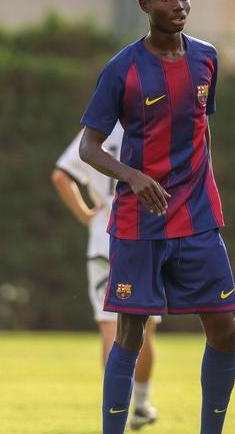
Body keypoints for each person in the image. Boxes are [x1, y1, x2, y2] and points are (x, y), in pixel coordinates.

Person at [76, 0, 235, 434]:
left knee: (227, 328)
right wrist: (132, 176)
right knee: (130, 334)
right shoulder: (122, 68)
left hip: (198, 219)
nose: (178, 5)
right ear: (145, 5)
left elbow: (202, 127)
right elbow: (89, 145)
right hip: (138, 223)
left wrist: (203, 187)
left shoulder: (207, 57)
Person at [52, 124, 160, 430]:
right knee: (146, 327)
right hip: (145, 236)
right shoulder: (150, 122)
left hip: (104, 239)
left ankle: (117, 411)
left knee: (110, 327)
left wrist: (86, 215)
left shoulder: (99, 129)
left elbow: (61, 175)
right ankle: (140, 403)